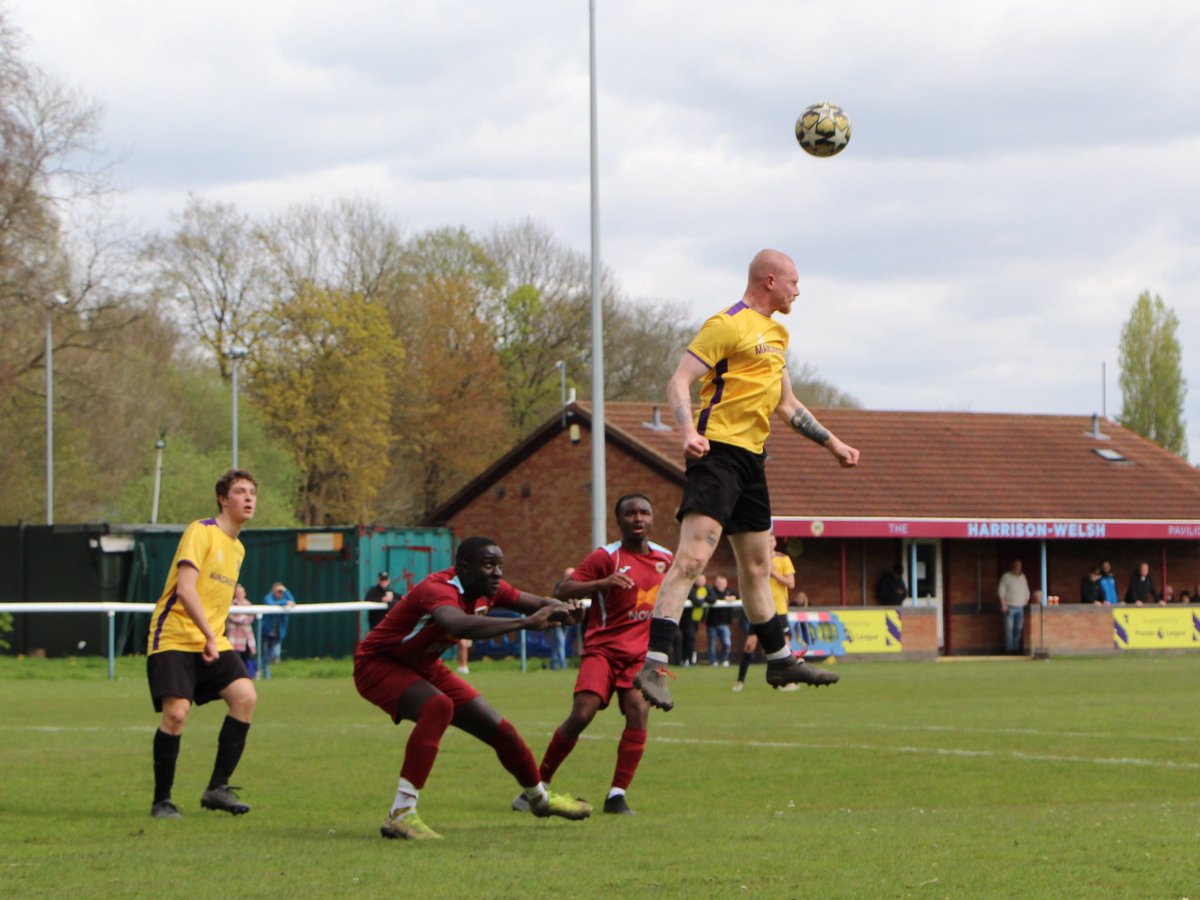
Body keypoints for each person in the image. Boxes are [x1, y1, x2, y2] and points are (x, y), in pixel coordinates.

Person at [635, 249, 858, 711]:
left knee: (757, 567)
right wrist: (687, 431)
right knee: (694, 559)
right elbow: (679, 381)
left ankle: (779, 661)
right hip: (716, 455)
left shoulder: (778, 334)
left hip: (753, 460)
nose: (799, 290)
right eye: (794, 282)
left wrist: (833, 444)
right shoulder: (727, 324)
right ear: (770, 280)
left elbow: (788, 405)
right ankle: (653, 666)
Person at [354, 535, 592, 840]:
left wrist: (566, 610)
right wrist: (524, 624)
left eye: (500, 565)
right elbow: (459, 625)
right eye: (489, 565)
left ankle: (539, 800)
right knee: (438, 707)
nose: (497, 573)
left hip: (423, 665)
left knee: (501, 730)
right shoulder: (438, 588)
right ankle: (400, 813)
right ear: (463, 568)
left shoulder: (488, 589)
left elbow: (537, 602)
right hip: (378, 664)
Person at [514, 493, 673, 817]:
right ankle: (538, 785)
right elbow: (562, 589)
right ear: (618, 521)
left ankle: (617, 796)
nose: (638, 518)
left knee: (638, 712)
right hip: (603, 650)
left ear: (653, 518)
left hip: (640, 656)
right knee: (582, 714)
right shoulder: (606, 557)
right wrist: (603, 583)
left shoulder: (666, 558)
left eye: (644, 512)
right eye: (630, 513)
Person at [145, 469, 259, 819]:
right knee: (176, 714)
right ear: (224, 499)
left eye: (253, 492)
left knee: (245, 697)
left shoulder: (237, 548)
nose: (249, 497)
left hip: (211, 640)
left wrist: (213, 637)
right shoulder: (202, 531)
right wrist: (210, 635)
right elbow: (186, 589)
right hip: (175, 636)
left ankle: (217, 789)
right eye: (240, 491)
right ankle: (162, 800)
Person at [259, 581, 296, 679]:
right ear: (273, 591)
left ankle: (265, 669)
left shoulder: (285, 597)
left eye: (281, 591)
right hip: (267, 631)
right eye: (278, 591)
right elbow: (271, 604)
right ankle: (265, 672)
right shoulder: (268, 597)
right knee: (265, 652)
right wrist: (285, 603)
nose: (280, 593)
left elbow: (292, 601)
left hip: (278, 632)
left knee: (272, 654)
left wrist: (286, 591)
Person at [997, 559, 1030, 654]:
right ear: (1012, 566)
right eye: (1016, 565)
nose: (1017, 567)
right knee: (1009, 629)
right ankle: (1009, 649)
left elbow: (1026, 592)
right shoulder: (1006, 576)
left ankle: (1016, 648)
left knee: (1018, 629)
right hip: (1009, 607)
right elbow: (1001, 591)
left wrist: (1025, 603)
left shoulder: (1023, 577)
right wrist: (1004, 604)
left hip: (1021, 607)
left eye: (1019, 566)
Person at [225, 583, 257, 679]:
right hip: (234, 637)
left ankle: (248, 675)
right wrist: (243, 618)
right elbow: (233, 618)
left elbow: (250, 618)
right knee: (235, 658)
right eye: (238, 592)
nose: (241, 593)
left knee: (247, 657)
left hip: (246, 637)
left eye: (242, 591)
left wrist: (242, 618)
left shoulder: (248, 604)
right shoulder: (231, 604)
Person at [680, 575, 710, 667]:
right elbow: (695, 600)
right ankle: (688, 659)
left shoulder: (706, 588)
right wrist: (703, 600)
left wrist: (703, 599)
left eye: (702, 580)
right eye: (699, 580)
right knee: (690, 638)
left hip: (697, 619)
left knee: (690, 639)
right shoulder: (691, 588)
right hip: (687, 619)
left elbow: (713, 598)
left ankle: (686, 659)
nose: (701, 582)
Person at [705, 574, 734, 667]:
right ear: (716, 583)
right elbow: (710, 599)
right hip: (712, 623)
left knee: (727, 643)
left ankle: (723, 659)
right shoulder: (711, 591)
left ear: (726, 583)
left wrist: (732, 598)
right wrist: (723, 598)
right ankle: (713, 661)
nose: (721, 585)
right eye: (719, 583)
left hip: (724, 623)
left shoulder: (729, 591)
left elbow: (737, 596)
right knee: (712, 644)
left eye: (723, 583)